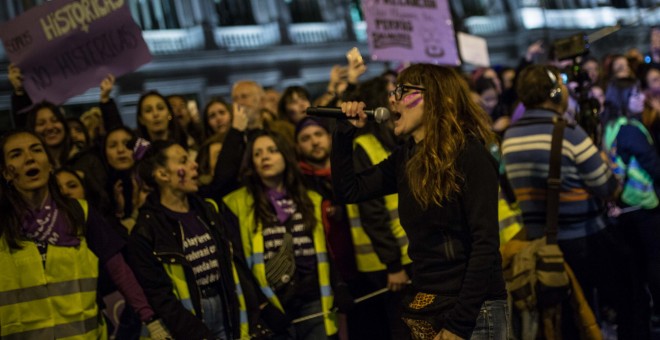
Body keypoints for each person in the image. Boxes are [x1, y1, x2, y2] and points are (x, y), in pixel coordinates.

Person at [331, 64, 509, 340]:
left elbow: (485, 244)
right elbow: (349, 191)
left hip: (473, 309)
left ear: (438, 99)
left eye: (403, 91)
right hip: (427, 303)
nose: (392, 99)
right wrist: (344, 134)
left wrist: (459, 324)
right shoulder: (406, 157)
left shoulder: (471, 155)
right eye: (393, 91)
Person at [502, 64, 647, 339]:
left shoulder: (510, 136)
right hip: (585, 240)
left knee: (568, 319)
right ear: (556, 93)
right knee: (632, 297)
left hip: (541, 245)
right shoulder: (567, 132)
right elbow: (607, 187)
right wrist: (606, 162)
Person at [0, 130, 170, 339]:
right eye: (16, 154)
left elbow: (119, 271)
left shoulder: (81, 213)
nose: (29, 158)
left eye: (36, 150)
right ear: (6, 172)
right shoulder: (3, 223)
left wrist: (150, 319)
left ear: (50, 163)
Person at [128, 140, 283, 339]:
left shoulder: (207, 210)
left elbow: (233, 263)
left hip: (226, 306)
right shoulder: (146, 231)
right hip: (190, 319)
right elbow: (160, 296)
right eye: (184, 161)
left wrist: (260, 307)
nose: (194, 165)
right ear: (162, 175)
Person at [223, 130, 345, 339]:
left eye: (272, 150)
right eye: (258, 154)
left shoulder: (310, 197)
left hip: (312, 297)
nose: (265, 157)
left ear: (286, 156)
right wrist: (261, 306)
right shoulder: (236, 202)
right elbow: (238, 262)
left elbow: (325, 251)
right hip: (272, 302)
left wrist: (339, 286)